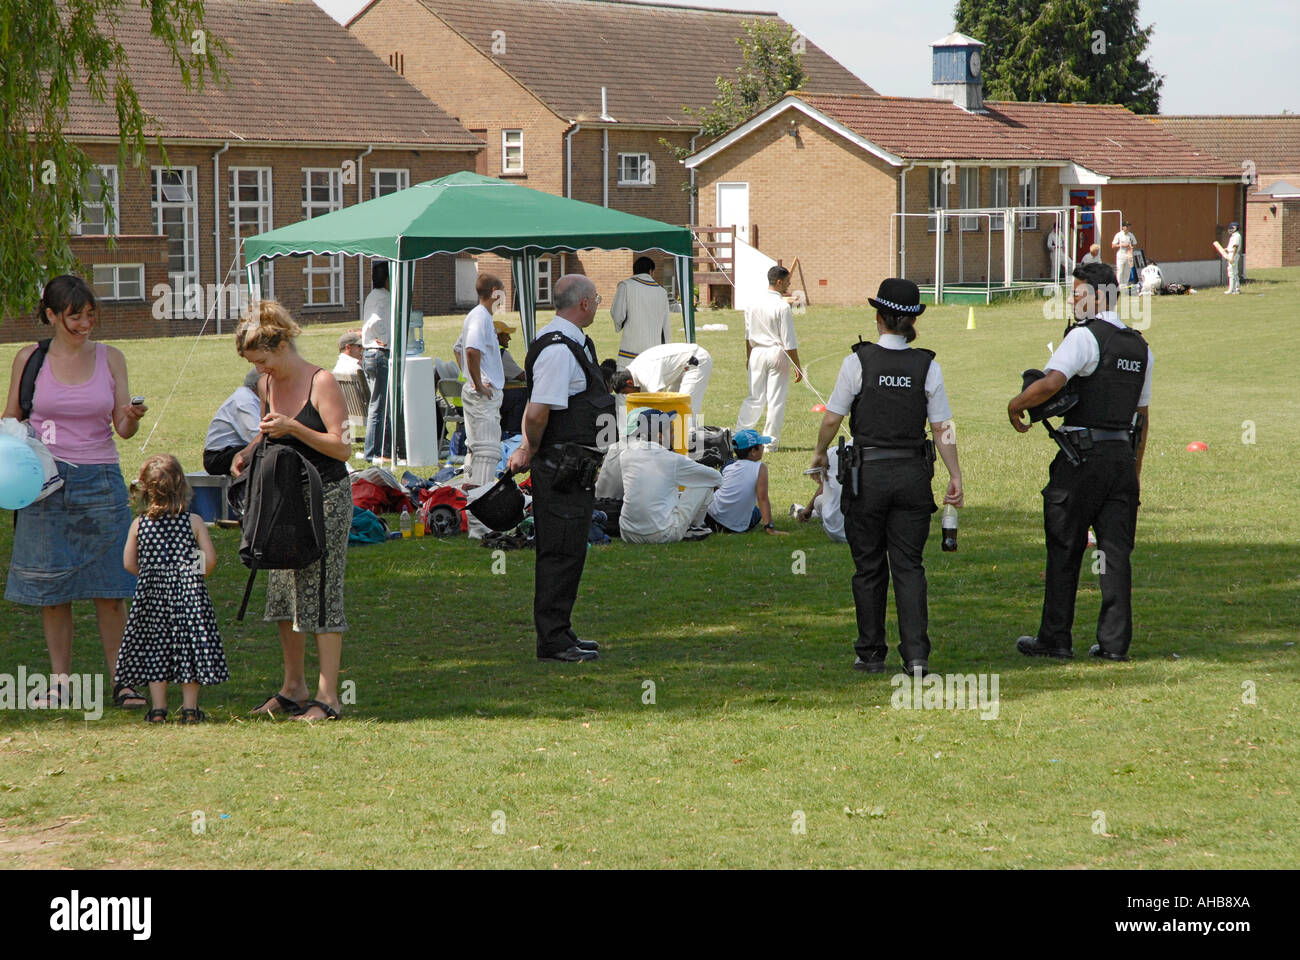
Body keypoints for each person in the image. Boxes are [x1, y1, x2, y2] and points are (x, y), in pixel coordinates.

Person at [3, 275, 149, 709]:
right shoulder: (30, 358)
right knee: (53, 590)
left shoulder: (111, 358)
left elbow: (123, 431)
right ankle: (62, 684)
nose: (86, 324)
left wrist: (132, 416)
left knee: (111, 589)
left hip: (100, 479)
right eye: (74, 317)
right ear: (50, 315)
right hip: (44, 485)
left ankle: (124, 682)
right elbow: (11, 415)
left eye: (90, 315)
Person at [811, 278, 962, 676]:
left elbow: (832, 418)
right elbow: (942, 427)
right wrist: (955, 474)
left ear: (878, 318)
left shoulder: (857, 362)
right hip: (913, 474)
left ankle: (871, 653)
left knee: (869, 566)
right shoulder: (928, 365)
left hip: (868, 476)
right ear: (912, 323)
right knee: (910, 567)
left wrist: (817, 453)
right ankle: (916, 657)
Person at [1007, 261, 1151, 663]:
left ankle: (1055, 639)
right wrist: (1133, 473)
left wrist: (1016, 404)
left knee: (1065, 546)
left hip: (1081, 459)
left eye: (1077, 292)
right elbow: (1142, 418)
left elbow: (1052, 383)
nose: (1072, 299)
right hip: (1121, 458)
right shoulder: (1140, 347)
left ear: (1099, 295)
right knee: (1115, 554)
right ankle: (1114, 645)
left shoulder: (1084, 338)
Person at [232, 300, 352, 720]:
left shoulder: (322, 382)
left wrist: (295, 428)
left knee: (319, 594)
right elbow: (272, 430)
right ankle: (294, 687)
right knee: (283, 595)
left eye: (263, 361)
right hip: (282, 498)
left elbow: (341, 446)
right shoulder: (267, 384)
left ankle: (329, 697)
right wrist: (247, 452)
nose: (260, 371)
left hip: (325, 499)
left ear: (281, 345)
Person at [507, 275, 616, 663]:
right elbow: (537, 413)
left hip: (576, 467)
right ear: (584, 303)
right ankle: (552, 640)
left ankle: (562, 630)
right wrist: (529, 448)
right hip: (559, 467)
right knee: (559, 552)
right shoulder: (558, 350)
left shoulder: (574, 342)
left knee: (571, 550)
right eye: (597, 299)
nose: (599, 304)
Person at [115, 455, 227, 724]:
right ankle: (190, 709)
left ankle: (158, 709)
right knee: (189, 649)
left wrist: (152, 573)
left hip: (152, 598)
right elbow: (209, 560)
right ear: (182, 487)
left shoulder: (139, 525)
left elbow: (129, 563)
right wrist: (194, 576)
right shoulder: (193, 521)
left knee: (156, 649)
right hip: (188, 597)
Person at [619, 409, 721, 544]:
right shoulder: (672, 459)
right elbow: (716, 478)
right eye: (672, 432)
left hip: (627, 532)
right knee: (704, 482)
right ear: (660, 436)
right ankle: (695, 526)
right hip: (662, 534)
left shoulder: (625, 454)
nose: (674, 436)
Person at [460, 274, 507, 539]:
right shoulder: (479, 317)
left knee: (475, 450)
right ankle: (480, 523)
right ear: (493, 292)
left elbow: (458, 349)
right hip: (483, 394)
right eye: (502, 290)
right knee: (486, 453)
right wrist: (477, 383)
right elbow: (469, 350)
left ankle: (473, 515)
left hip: (480, 392)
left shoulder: (478, 316)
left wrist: (470, 377)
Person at [736, 265, 801, 451]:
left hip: (756, 352)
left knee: (754, 397)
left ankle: (739, 436)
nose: (788, 286)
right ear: (779, 282)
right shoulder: (782, 306)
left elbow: (748, 336)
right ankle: (770, 443)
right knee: (775, 399)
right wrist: (797, 366)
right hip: (776, 352)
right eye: (787, 282)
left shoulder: (752, 303)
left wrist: (749, 358)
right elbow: (789, 342)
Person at [608, 342, 714, 420]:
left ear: (629, 383)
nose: (629, 395)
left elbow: (659, 400)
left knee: (684, 410)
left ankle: (688, 445)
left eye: (626, 393)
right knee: (674, 408)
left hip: (696, 361)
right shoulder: (632, 371)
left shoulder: (645, 373)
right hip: (682, 366)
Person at [705, 430, 784, 534]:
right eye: (761, 446)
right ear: (753, 451)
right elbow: (762, 498)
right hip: (734, 527)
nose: (763, 448)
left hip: (710, 518)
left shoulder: (728, 466)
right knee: (756, 513)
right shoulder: (760, 468)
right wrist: (769, 527)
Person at [610, 256, 671, 370]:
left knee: (627, 386)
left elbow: (617, 314)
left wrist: (619, 325)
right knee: (650, 388)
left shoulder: (625, 285)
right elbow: (666, 326)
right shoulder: (661, 292)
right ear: (651, 271)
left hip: (629, 352)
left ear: (634, 270)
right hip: (653, 354)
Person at [360, 260, 392, 462]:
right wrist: (386, 337)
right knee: (379, 406)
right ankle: (372, 452)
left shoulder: (371, 296)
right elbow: (376, 321)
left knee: (378, 405)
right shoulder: (385, 297)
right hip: (379, 353)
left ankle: (382, 450)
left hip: (368, 353)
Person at [203, 369, 261, 476]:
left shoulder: (252, 399)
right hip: (217, 457)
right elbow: (255, 436)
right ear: (259, 384)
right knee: (265, 451)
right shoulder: (244, 400)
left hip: (232, 449)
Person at [791, 440, 849, 543]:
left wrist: (808, 508)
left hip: (839, 532)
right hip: (873, 527)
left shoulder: (835, 452)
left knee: (819, 501)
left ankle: (812, 513)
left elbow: (825, 485)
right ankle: (812, 512)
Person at [495, 318, 529, 437]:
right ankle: (512, 432)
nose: (509, 338)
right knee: (524, 393)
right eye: (506, 335)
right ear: (497, 337)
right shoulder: (500, 353)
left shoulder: (482, 350)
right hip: (490, 398)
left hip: (464, 401)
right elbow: (522, 377)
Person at [1111, 219, 1137, 291]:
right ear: (1123, 227)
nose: (1128, 228)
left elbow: (1134, 243)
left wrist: (1131, 247)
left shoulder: (1131, 235)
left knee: (1127, 271)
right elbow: (1113, 245)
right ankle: (1118, 286)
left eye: (1129, 226)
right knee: (1120, 271)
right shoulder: (1119, 235)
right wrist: (1122, 245)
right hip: (1121, 255)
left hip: (1128, 255)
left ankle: (1125, 286)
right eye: (1127, 226)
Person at [1223, 221, 1243, 294]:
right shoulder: (1233, 236)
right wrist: (1225, 249)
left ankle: (1231, 289)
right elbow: (1231, 247)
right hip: (1231, 254)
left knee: (1232, 272)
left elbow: (1235, 247)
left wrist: (1232, 258)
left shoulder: (1237, 236)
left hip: (1233, 255)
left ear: (1235, 228)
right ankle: (1236, 289)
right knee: (1234, 272)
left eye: (1232, 227)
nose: (1230, 229)